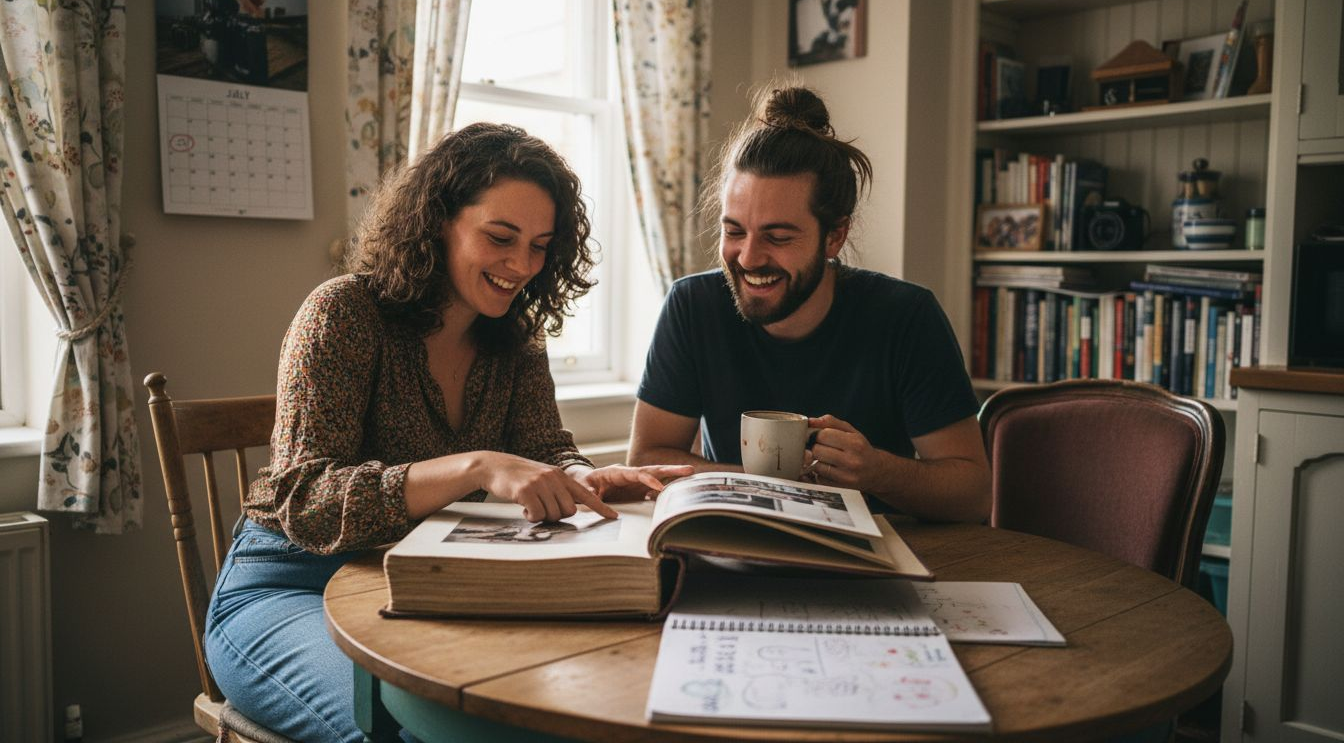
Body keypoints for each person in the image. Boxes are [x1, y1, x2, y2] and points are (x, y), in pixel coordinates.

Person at [204, 123, 689, 742]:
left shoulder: (516, 338)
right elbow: (306, 499)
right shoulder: (343, 312)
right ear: (437, 221)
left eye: (540, 245)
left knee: (533, 717)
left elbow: (544, 447)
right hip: (289, 587)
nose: (521, 265)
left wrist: (579, 475)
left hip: (423, 584)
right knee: (408, 730)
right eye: (500, 237)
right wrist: (476, 466)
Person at [628, 86, 989, 524]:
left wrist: (879, 472)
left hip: (875, 557)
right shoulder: (692, 305)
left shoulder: (906, 316)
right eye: (735, 231)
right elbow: (646, 459)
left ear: (834, 236)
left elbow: (972, 495)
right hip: (737, 548)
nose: (748, 258)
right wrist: (771, 487)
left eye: (778, 238)